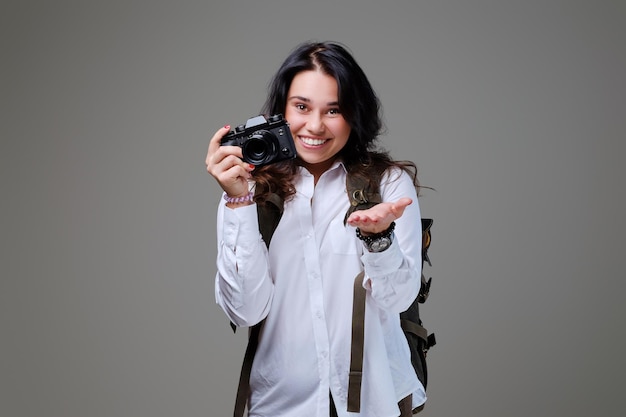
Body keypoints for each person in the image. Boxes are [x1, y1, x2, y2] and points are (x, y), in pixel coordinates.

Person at [205, 40, 426, 417]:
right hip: (279, 405)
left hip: (374, 403)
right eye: (302, 107)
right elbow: (245, 311)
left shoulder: (386, 184)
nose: (315, 126)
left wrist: (378, 238)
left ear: (354, 115)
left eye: (334, 110)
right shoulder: (249, 190)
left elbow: (399, 299)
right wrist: (238, 200)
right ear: (281, 111)